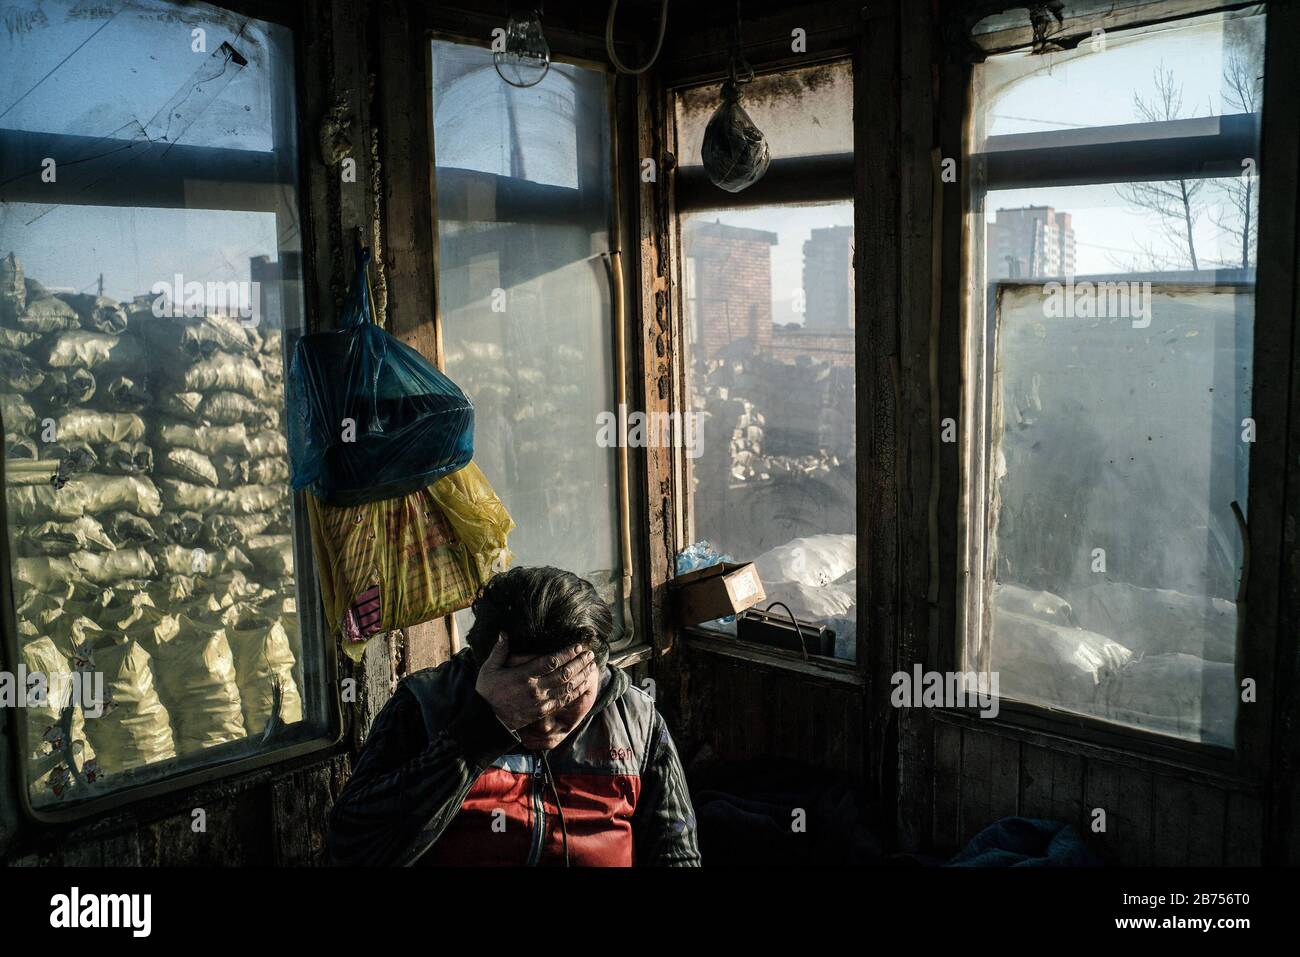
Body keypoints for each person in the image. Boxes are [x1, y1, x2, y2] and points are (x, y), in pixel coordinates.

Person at [328, 565, 701, 866]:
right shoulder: (425, 705)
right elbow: (350, 847)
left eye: (565, 692)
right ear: (481, 669)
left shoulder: (636, 719)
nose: (543, 719)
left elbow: (676, 852)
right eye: (523, 692)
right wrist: (482, 729)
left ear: (598, 667)